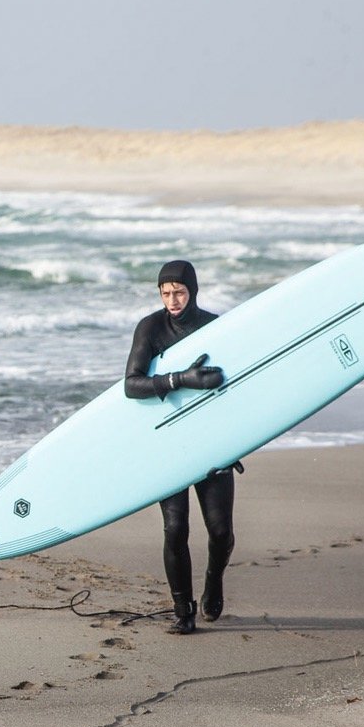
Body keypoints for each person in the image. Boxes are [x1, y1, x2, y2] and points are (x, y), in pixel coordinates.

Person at [123, 260, 234, 635]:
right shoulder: (151, 328)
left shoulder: (217, 326)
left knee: (221, 531)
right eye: (166, 293)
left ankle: (213, 582)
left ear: (193, 291)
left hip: (211, 440)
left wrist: (240, 438)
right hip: (168, 442)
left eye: (180, 292)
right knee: (175, 529)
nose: (172, 300)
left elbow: (239, 388)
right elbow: (132, 385)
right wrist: (181, 379)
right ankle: (183, 611)